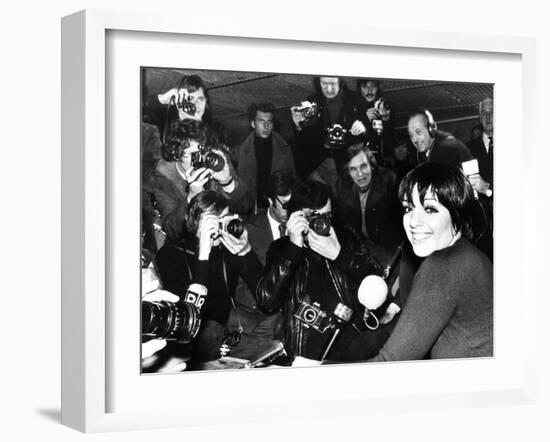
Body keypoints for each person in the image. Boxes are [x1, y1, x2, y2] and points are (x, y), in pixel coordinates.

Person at [365, 162, 493, 361]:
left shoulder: (444, 265)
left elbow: (389, 365)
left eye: (430, 209)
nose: (414, 221)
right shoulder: (469, 254)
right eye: (408, 208)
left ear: (457, 212)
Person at [255, 180, 381, 364]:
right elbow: (267, 301)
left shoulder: (345, 237)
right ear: (295, 217)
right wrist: (293, 249)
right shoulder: (282, 249)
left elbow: (376, 281)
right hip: (305, 353)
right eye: (314, 217)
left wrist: (340, 256)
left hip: (348, 347)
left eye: (327, 215)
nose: (323, 223)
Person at [155, 191, 265, 365]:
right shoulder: (170, 254)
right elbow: (187, 312)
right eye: (214, 221)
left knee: (276, 322)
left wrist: (245, 252)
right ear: (195, 221)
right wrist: (203, 252)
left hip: (229, 319)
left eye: (225, 219)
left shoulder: (226, 246)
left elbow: (264, 293)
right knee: (211, 330)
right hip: (196, 328)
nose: (220, 227)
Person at [147, 119, 251, 242]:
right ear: (176, 154)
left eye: (203, 151)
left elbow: (246, 207)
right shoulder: (162, 177)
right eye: (193, 155)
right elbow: (172, 230)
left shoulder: (215, 161)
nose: (201, 159)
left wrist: (227, 182)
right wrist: (192, 197)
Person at [290, 76, 369, 188]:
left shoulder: (355, 99)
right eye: (324, 84)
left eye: (333, 83)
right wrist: (298, 126)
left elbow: (372, 130)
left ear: (340, 82)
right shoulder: (313, 101)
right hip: (320, 163)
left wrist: (364, 129)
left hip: (347, 161)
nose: (329, 88)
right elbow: (304, 140)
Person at [334, 143, 404, 266]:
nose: (360, 174)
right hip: (361, 249)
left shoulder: (389, 182)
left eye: (363, 166)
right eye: (353, 169)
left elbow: (396, 233)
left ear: (371, 166)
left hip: (389, 250)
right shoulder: (342, 187)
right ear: (348, 172)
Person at [232, 102, 295, 213]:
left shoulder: (285, 150)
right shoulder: (238, 152)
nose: (266, 126)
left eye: (269, 122)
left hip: (277, 208)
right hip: (251, 210)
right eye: (261, 121)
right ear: (253, 124)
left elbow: (293, 181)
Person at [143, 74, 228, 146]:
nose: (196, 104)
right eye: (190, 98)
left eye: (200, 99)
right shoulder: (165, 128)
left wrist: (197, 127)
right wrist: (161, 99)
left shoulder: (217, 132)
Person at [407, 109, 472, 168]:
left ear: (430, 129)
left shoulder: (448, 148)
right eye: (411, 135)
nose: (414, 139)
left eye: (418, 132)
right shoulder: (428, 150)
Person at [356, 78, 396, 162]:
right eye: (365, 86)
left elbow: (390, 144)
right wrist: (365, 120)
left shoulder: (384, 107)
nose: (369, 90)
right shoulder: (352, 110)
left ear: (378, 88)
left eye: (373, 86)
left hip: (380, 162)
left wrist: (386, 119)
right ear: (359, 88)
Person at [467, 97, 494, 196]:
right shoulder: (467, 149)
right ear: (479, 118)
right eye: (483, 113)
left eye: (492, 111)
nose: (487, 116)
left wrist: (488, 189)